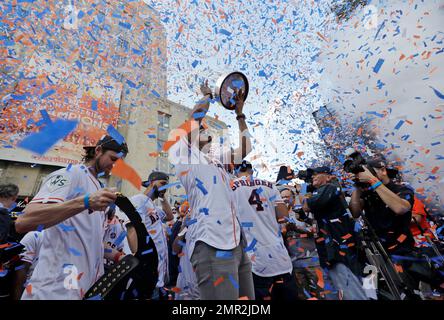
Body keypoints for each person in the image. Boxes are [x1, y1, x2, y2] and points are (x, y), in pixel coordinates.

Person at [167, 81, 254, 300]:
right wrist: (208, 96)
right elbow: (194, 118)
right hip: (211, 242)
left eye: (207, 131)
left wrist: (240, 114)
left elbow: (246, 148)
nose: (206, 132)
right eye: (201, 129)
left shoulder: (217, 159)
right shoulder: (185, 156)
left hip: (236, 242)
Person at [14, 135, 128, 299]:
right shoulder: (71, 173)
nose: (114, 165)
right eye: (112, 158)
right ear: (98, 150)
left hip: (81, 290)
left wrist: (119, 256)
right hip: (54, 291)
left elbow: (90, 239)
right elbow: (24, 221)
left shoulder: (98, 186)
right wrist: (85, 202)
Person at [232, 161, 297, 300]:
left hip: (254, 258)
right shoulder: (269, 185)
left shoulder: (231, 186)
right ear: (251, 171)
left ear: (236, 171)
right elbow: (284, 216)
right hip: (279, 255)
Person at [302, 166, 368, 300]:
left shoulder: (329, 188)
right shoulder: (326, 191)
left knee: (351, 291)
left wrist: (304, 194)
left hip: (338, 248)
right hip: (332, 248)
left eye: (317, 174)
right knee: (343, 290)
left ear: (328, 177)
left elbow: (306, 206)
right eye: (312, 175)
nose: (313, 177)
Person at [116, 171, 174, 300]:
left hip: (156, 272)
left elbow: (169, 216)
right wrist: (140, 260)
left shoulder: (153, 206)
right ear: (152, 182)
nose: (165, 187)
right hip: (146, 269)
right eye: (162, 183)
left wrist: (163, 197)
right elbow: (131, 228)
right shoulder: (139, 199)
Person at [280, 187, 330, 300]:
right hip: (294, 265)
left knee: (321, 293)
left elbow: (316, 231)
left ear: (293, 198)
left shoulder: (304, 212)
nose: (285, 199)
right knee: (302, 296)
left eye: (287, 197)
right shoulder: (280, 217)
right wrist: (285, 230)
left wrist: (297, 228)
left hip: (312, 261)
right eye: (282, 197)